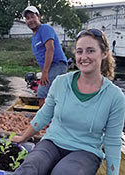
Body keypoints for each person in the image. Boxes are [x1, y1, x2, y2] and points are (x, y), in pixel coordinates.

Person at [12, 29, 125, 175]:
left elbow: (112, 141)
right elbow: (44, 115)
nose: (84, 57)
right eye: (79, 51)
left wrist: (112, 173)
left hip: (86, 151)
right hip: (52, 143)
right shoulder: (61, 82)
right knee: (30, 168)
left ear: (104, 53)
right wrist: (23, 137)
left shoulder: (115, 97)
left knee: (64, 172)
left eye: (90, 51)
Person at [23, 6, 68, 108]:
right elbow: (40, 57)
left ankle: (43, 121)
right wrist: (43, 71)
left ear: (39, 17)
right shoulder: (33, 38)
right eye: (27, 18)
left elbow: (50, 49)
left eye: (32, 17)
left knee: (42, 92)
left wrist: (45, 72)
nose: (30, 20)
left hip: (57, 64)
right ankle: (51, 118)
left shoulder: (45, 29)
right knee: (49, 93)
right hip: (49, 67)